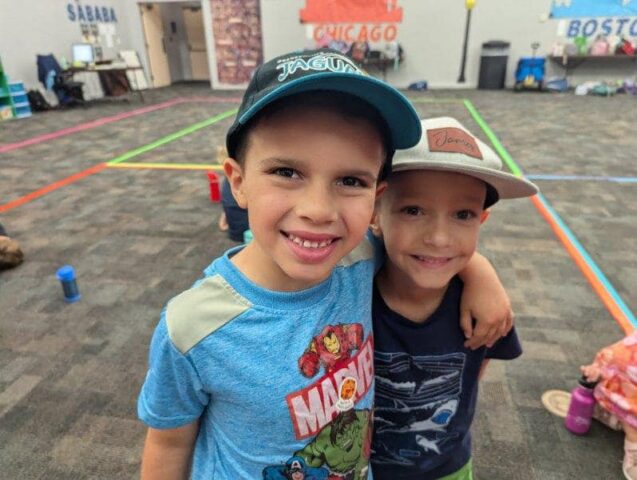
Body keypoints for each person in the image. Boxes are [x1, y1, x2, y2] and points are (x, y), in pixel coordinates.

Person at [137, 50, 511, 479]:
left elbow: (433, 246)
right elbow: (167, 443)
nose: (318, 210)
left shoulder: (357, 259)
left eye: (351, 181)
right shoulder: (191, 327)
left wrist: (481, 274)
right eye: (286, 171)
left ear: (376, 197)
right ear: (237, 182)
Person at [370, 117, 539, 480]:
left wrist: (479, 270)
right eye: (413, 210)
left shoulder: (484, 311)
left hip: (448, 469)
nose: (440, 238)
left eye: (463, 215)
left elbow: (473, 375)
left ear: (483, 219)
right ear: (374, 213)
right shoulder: (348, 291)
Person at [581, 331, 637, 480]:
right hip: (624, 395)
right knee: (633, 427)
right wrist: (596, 370)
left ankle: (613, 418)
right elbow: (613, 355)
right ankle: (633, 454)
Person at [215, 145, 249, 242]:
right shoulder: (243, 181)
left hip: (234, 229)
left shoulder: (228, 180)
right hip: (245, 231)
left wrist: (224, 217)